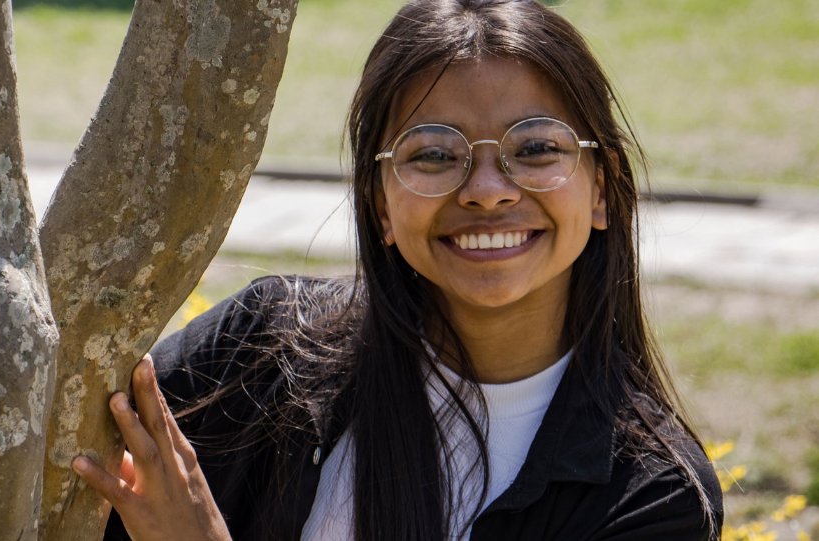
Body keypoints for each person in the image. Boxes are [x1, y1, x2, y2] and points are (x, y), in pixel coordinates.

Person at [76, 1, 724, 540]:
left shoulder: (651, 495)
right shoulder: (259, 352)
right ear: (379, 203)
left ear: (603, 188)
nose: (488, 190)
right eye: (435, 154)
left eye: (535, 148)